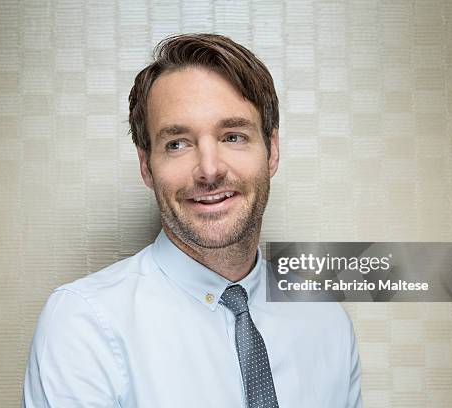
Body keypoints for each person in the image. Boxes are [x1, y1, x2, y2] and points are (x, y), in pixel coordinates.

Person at [22, 33, 362, 408]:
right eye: (177, 143)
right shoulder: (83, 324)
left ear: (272, 150)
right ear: (146, 165)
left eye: (233, 136)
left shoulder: (328, 320)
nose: (209, 170)